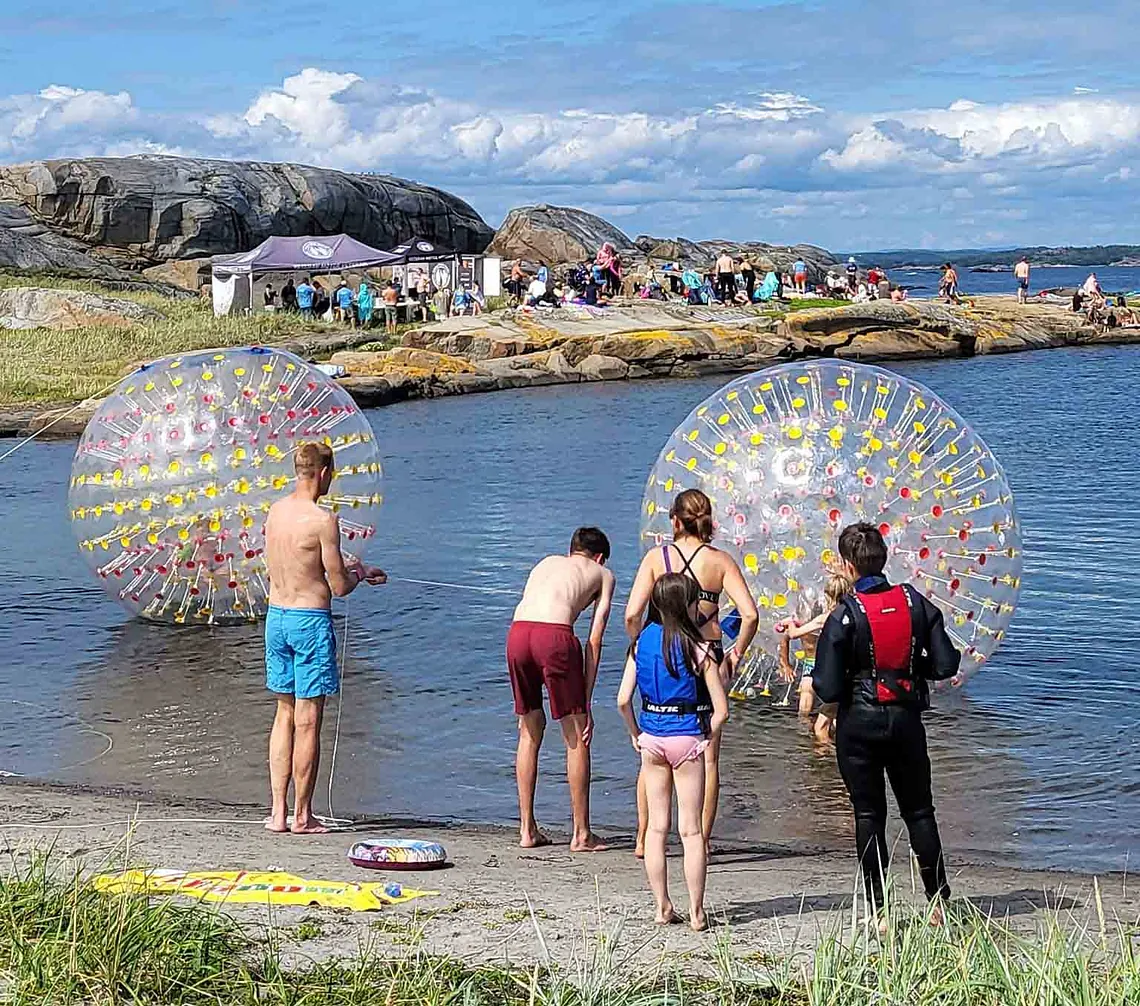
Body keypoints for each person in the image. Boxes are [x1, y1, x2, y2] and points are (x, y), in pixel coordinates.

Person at [812, 523, 961, 923]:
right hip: (906, 720)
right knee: (919, 811)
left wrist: (846, 687)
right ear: (885, 558)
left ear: (846, 567)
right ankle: (937, 902)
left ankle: (879, 911)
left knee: (868, 815)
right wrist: (911, 670)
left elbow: (825, 684)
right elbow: (948, 663)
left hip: (858, 725)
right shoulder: (916, 603)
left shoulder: (843, 615)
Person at [625, 489, 758, 856]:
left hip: (661, 652)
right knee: (707, 755)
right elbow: (749, 615)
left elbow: (632, 614)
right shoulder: (719, 561)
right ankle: (700, 839)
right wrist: (735, 655)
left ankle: (643, 837)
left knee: (651, 742)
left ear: (674, 521)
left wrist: (641, 646)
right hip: (707, 654)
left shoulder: (657, 558)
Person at [263, 443, 386, 835]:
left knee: (283, 713)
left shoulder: (275, 511)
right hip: (309, 620)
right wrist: (362, 574)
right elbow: (339, 586)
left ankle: (277, 813)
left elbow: (297, 562)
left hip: (276, 617)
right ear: (323, 473)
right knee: (308, 718)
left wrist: (346, 565)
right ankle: (303, 816)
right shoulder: (323, 519)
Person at [617, 573, 729, 932]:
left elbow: (622, 700)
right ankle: (697, 912)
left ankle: (662, 906)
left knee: (655, 830)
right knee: (691, 832)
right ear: (687, 605)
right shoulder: (697, 647)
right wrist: (705, 738)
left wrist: (636, 733)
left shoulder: (639, 644)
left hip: (651, 738)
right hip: (687, 738)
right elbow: (721, 709)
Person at [508, 527, 616, 852]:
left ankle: (527, 829)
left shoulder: (546, 562)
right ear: (599, 556)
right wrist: (586, 701)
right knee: (576, 734)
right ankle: (582, 833)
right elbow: (594, 641)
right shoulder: (603, 573)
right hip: (554, 637)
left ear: (571, 550)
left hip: (517, 634)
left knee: (529, 729)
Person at [778, 571, 852, 742]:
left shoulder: (825, 617)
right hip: (846, 672)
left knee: (809, 713)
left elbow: (794, 634)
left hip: (821, 668)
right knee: (833, 719)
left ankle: (815, 750)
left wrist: (789, 624)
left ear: (827, 595)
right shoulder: (854, 614)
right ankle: (831, 752)